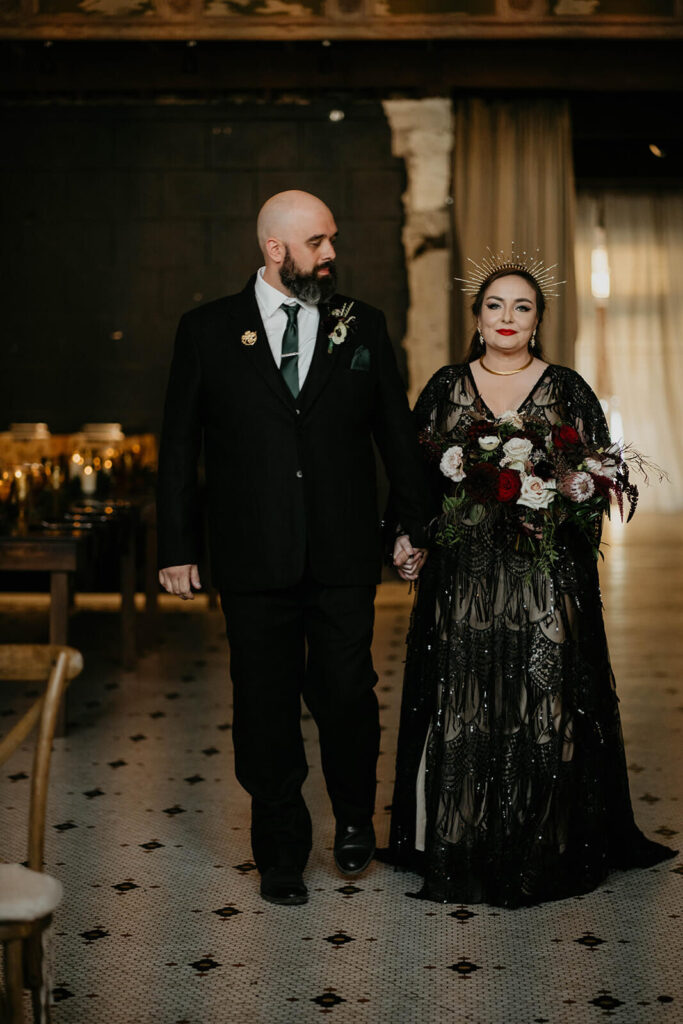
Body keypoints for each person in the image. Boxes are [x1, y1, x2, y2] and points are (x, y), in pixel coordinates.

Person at [156, 190, 429, 907]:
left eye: (332, 238)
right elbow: (180, 445)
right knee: (264, 703)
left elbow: (395, 437)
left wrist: (409, 524)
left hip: (342, 554)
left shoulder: (360, 325)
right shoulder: (208, 330)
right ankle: (280, 846)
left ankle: (351, 817)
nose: (331, 253)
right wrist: (177, 545)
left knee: (346, 693)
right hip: (251, 557)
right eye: (316, 241)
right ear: (275, 249)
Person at [383, 252, 676, 907]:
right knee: (465, 701)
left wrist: (573, 488)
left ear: (537, 320)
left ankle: (541, 836)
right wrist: (407, 539)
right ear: (477, 319)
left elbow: (594, 477)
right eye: (495, 306)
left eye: (521, 306)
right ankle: (461, 837)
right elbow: (412, 483)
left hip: (544, 579)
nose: (507, 317)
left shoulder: (567, 388)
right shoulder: (443, 387)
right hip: (465, 580)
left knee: (540, 704)